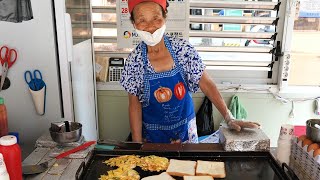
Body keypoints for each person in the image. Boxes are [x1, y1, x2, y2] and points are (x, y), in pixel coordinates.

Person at [120, 0, 260, 143]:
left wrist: (229, 118)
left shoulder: (182, 49)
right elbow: (134, 105)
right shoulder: (134, 61)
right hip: (153, 137)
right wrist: (137, 146)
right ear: (134, 24)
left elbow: (206, 83)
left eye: (156, 18)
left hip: (185, 134)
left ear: (165, 17)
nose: (150, 26)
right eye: (142, 20)